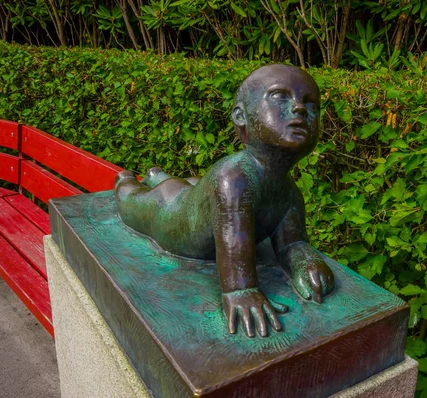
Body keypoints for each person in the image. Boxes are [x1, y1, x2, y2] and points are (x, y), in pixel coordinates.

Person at [115, 64, 335, 338]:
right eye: (280, 97)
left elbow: (292, 243)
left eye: (311, 104)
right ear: (241, 117)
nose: (300, 109)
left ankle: (159, 175)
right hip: (168, 213)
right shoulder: (234, 179)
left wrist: (306, 261)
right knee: (135, 199)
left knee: (186, 187)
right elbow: (236, 258)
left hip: (195, 197)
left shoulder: (288, 192)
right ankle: (130, 180)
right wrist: (240, 290)